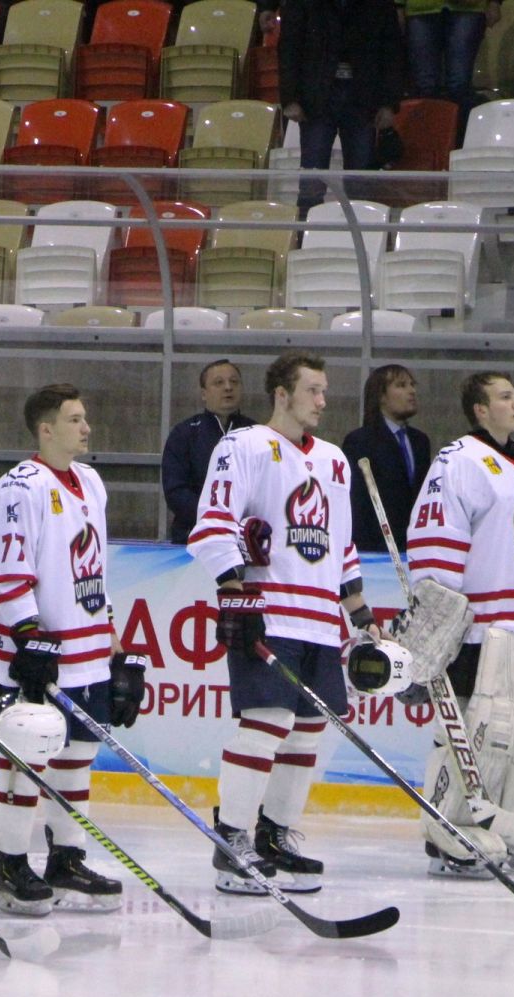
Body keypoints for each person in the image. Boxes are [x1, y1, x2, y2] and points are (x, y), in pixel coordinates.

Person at [189, 352, 386, 895]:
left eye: (325, 391)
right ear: (282, 394)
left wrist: (362, 617)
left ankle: (274, 836)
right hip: (270, 612)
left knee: (307, 734)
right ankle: (233, 841)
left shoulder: (335, 460)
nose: (323, 401)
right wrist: (235, 596)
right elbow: (212, 526)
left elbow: (342, 546)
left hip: (322, 621)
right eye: (314, 391)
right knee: (266, 722)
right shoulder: (244, 445)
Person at [405, 371, 514, 877]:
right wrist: (439, 625)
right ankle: (447, 829)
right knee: (470, 731)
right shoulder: (457, 460)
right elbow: (436, 549)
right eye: (505, 396)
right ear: (480, 410)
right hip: (479, 626)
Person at [0, 384, 140, 916]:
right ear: (45, 429)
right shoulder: (19, 486)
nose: (86, 427)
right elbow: (6, 571)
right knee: (28, 759)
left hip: (88, 651)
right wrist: (27, 636)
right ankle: (11, 864)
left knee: (76, 757)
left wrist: (113, 640)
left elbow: (92, 566)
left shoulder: (91, 483)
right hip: (42, 652)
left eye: (85, 416)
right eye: (75, 419)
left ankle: (66, 859)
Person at [280, 0, 405, 213]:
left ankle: (361, 239)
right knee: (312, 179)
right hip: (316, 96)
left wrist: (389, 103)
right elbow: (289, 45)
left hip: (363, 96)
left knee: (359, 182)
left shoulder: (379, 4)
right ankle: (304, 239)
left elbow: (392, 50)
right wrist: (290, 97)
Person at [161, 360, 257, 544]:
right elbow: (175, 491)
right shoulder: (184, 433)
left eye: (234, 382)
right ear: (204, 394)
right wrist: (214, 518)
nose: (228, 387)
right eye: (219, 382)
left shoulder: (258, 433)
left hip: (247, 540)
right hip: (193, 537)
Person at [341, 363, 432, 554]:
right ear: (381, 396)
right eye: (401, 385)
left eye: (412, 385)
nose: (411, 391)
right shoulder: (360, 441)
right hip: (374, 552)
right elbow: (357, 503)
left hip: (414, 549)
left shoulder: (420, 441)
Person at [399, 0, 499, 111]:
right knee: (424, 85)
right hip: (420, 8)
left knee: (459, 85)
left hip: (468, 8)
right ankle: (430, 127)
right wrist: (398, 6)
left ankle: (459, 126)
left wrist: (494, 2)